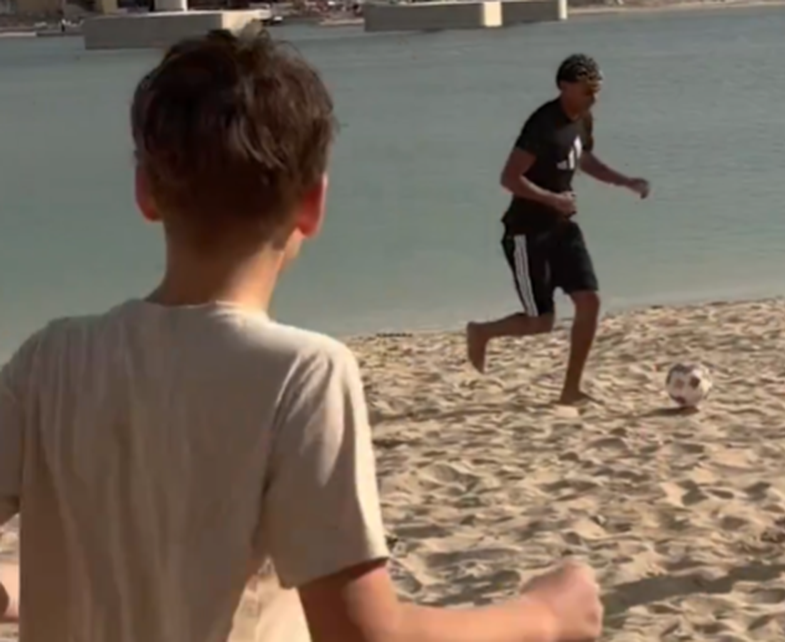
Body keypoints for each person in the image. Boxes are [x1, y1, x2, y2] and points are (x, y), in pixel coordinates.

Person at [0, 30, 603, 642]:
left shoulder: (47, 360)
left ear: (145, 193)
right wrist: (545, 616)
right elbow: (365, 633)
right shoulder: (302, 375)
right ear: (313, 205)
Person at [465, 54, 649, 406]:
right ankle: (482, 332)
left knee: (589, 301)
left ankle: (570, 390)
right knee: (541, 322)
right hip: (525, 232)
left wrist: (625, 181)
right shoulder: (542, 125)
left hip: (562, 227)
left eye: (597, 91)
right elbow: (509, 178)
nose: (593, 98)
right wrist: (553, 199)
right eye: (587, 91)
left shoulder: (583, 119)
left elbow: (585, 160)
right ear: (564, 87)